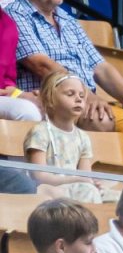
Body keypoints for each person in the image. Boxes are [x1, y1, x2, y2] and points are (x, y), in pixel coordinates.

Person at [13, 0, 123, 134]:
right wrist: (86, 96)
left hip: (84, 101)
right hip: (54, 103)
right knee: (100, 119)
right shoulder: (16, 15)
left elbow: (101, 67)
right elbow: (42, 66)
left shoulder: (67, 19)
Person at [24, 71, 101, 203]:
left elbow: (85, 174)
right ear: (50, 99)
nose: (78, 99)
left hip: (76, 188)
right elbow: (39, 176)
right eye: (70, 94)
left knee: (117, 196)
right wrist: (77, 180)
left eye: (82, 96)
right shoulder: (40, 132)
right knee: (87, 191)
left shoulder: (83, 137)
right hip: (50, 190)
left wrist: (91, 182)